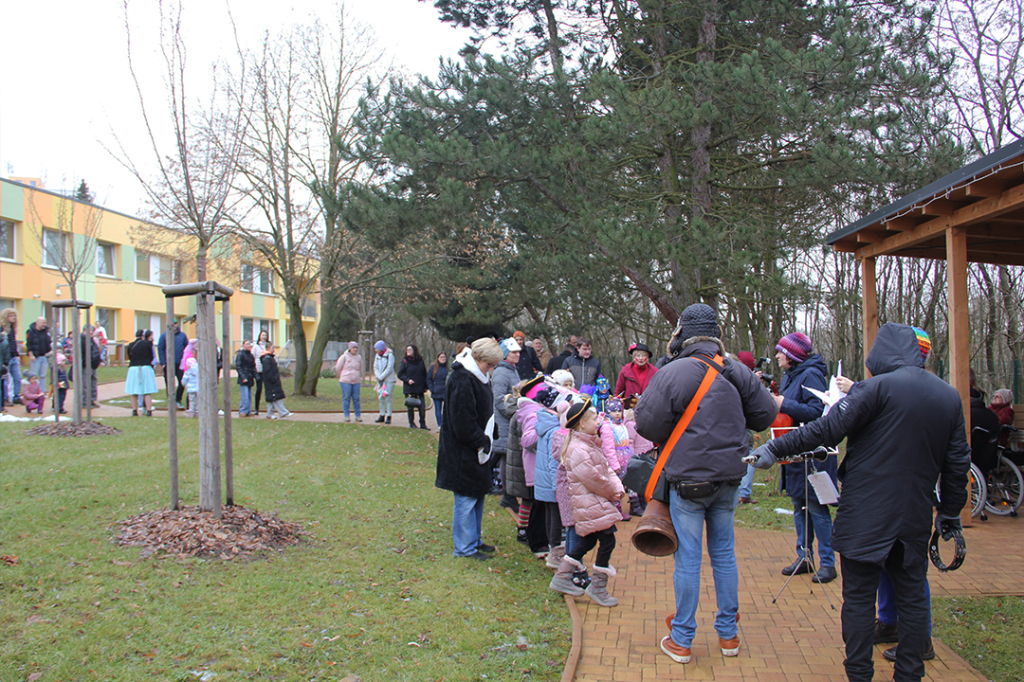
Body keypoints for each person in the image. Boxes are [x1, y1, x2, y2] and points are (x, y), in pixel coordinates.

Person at [751, 323, 970, 682]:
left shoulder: (874, 389)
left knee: (858, 598)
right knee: (912, 597)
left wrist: (776, 447)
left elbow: (825, 429)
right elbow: (958, 462)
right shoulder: (948, 396)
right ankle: (909, 674)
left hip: (865, 513)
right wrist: (950, 513)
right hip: (914, 515)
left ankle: (859, 674)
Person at [634, 303, 777, 665]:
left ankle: (682, 638)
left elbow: (647, 425)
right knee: (724, 555)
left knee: (688, 559)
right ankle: (728, 635)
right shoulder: (738, 370)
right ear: (716, 334)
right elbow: (765, 416)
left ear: (681, 333)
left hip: (688, 480)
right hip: (730, 477)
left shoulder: (674, 371)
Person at [549, 400, 625, 607]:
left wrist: (616, 487)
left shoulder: (590, 444)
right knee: (607, 541)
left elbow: (605, 468)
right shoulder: (578, 449)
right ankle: (597, 587)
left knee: (589, 541)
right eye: (593, 419)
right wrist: (612, 492)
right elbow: (593, 479)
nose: (598, 422)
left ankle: (563, 576)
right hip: (591, 503)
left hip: (595, 502)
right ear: (582, 424)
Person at [774, 331, 836, 583]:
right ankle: (804, 557)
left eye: (781, 352)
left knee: (817, 508)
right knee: (799, 506)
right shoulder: (791, 375)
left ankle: (828, 563)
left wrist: (783, 403)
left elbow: (816, 411)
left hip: (812, 453)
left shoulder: (811, 375)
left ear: (791, 355)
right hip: (794, 451)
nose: (777, 356)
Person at [435, 337, 504, 560]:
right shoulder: (462, 378)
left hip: (478, 449)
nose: (491, 369)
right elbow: (462, 421)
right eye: (490, 364)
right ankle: (464, 547)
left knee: (477, 495)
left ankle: (474, 539)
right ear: (479, 358)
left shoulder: (479, 375)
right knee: (465, 499)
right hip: (463, 451)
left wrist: (489, 435)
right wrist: (480, 441)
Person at [491, 338, 522, 493]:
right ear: (505, 354)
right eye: (513, 352)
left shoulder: (512, 369)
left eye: (518, 352)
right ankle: (507, 493)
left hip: (511, 420)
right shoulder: (501, 372)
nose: (517, 355)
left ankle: (507, 493)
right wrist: (513, 414)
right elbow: (498, 399)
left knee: (505, 456)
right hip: (505, 421)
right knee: (504, 455)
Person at [734, 352, 761, 505]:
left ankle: (741, 491)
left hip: (738, 424)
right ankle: (743, 492)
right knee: (750, 454)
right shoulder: (743, 380)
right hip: (741, 423)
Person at [125, 329, 158, 416]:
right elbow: (151, 356)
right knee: (147, 390)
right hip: (146, 367)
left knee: (133, 391)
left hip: (133, 368)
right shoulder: (147, 344)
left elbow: (130, 357)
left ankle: (134, 410)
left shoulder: (130, 345)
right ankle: (149, 410)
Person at [615, 342, 658, 408]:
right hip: (629, 407)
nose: (641, 358)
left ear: (648, 358)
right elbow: (619, 390)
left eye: (644, 355)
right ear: (634, 358)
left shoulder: (655, 372)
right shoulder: (625, 371)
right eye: (638, 356)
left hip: (648, 407)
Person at [398, 344, 429, 430]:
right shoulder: (405, 362)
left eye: (410, 350)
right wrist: (407, 380)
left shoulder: (420, 360)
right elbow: (400, 374)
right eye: (407, 350)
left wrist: (426, 386)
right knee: (410, 407)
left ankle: (422, 423)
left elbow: (424, 373)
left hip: (420, 387)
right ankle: (411, 423)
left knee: (422, 407)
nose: (408, 351)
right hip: (410, 388)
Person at [158, 322, 189, 409]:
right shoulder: (164, 336)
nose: (174, 325)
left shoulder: (182, 335)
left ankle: (178, 400)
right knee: (169, 383)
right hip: (168, 363)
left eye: (175, 323)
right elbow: (160, 348)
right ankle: (171, 401)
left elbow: (186, 348)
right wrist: (163, 362)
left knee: (182, 382)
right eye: (172, 324)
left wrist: (185, 361)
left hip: (180, 363)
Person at [259, 343, 292, 419]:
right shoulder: (267, 359)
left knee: (271, 397)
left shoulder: (269, 358)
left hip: (272, 380)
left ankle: (270, 413)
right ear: (268, 348)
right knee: (275, 396)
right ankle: (283, 412)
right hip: (271, 381)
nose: (274, 349)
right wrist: (273, 378)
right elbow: (267, 371)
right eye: (272, 348)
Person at [332, 341, 362, 423]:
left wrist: (358, 375)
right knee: (346, 398)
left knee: (356, 398)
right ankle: (346, 415)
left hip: (356, 381)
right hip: (346, 381)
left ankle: (358, 415)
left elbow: (360, 367)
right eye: (353, 348)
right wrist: (343, 375)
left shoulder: (359, 357)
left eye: (356, 348)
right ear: (350, 348)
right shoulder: (344, 357)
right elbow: (338, 368)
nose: (355, 349)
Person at [25, 316, 52, 392]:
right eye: (43, 323)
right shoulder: (31, 332)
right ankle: (34, 391)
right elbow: (29, 344)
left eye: (45, 323)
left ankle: (42, 390)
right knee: (34, 375)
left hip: (44, 356)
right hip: (35, 357)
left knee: (43, 375)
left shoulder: (46, 332)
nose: (44, 324)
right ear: (38, 322)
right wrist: (31, 355)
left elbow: (49, 342)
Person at [2, 308, 22, 405]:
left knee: (17, 377)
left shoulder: (13, 329)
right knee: (6, 379)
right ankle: (5, 398)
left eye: (14, 315)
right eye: (10, 316)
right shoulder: (2, 330)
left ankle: (16, 397)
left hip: (13, 356)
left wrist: (17, 354)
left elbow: (14, 343)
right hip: (6, 357)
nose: (13, 318)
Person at [373, 340, 396, 424]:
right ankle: (382, 414)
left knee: (388, 397)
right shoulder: (377, 356)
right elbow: (375, 366)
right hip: (380, 380)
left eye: (376, 348)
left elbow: (389, 368)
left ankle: (389, 415)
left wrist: (382, 376)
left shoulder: (390, 355)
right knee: (381, 397)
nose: (375, 350)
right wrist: (378, 376)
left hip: (389, 379)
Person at [251, 330, 272, 416]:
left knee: (269, 390)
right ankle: (256, 408)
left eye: (265, 335)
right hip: (258, 370)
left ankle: (270, 409)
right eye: (262, 335)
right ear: (259, 336)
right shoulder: (256, 347)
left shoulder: (268, 346)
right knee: (259, 389)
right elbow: (252, 357)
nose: (264, 337)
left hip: (267, 370)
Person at [427, 352, 449, 429]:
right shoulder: (433, 368)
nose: (443, 359)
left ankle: (446, 424)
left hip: (446, 391)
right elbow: (429, 378)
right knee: (438, 409)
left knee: (447, 410)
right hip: (436, 391)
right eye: (441, 357)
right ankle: (440, 425)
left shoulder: (448, 368)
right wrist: (432, 389)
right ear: (438, 359)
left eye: (444, 357)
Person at [236, 340, 257, 417]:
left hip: (250, 377)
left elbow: (253, 366)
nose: (248, 345)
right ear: (243, 345)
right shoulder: (240, 354)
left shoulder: (251, 355)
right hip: (244, 378)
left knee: (249, 395)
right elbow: (239, 367)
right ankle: (243, 410)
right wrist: (243, 377)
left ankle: (248, 411)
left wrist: (256, 376)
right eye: (247, 344)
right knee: (245, 396)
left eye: (249, 344)